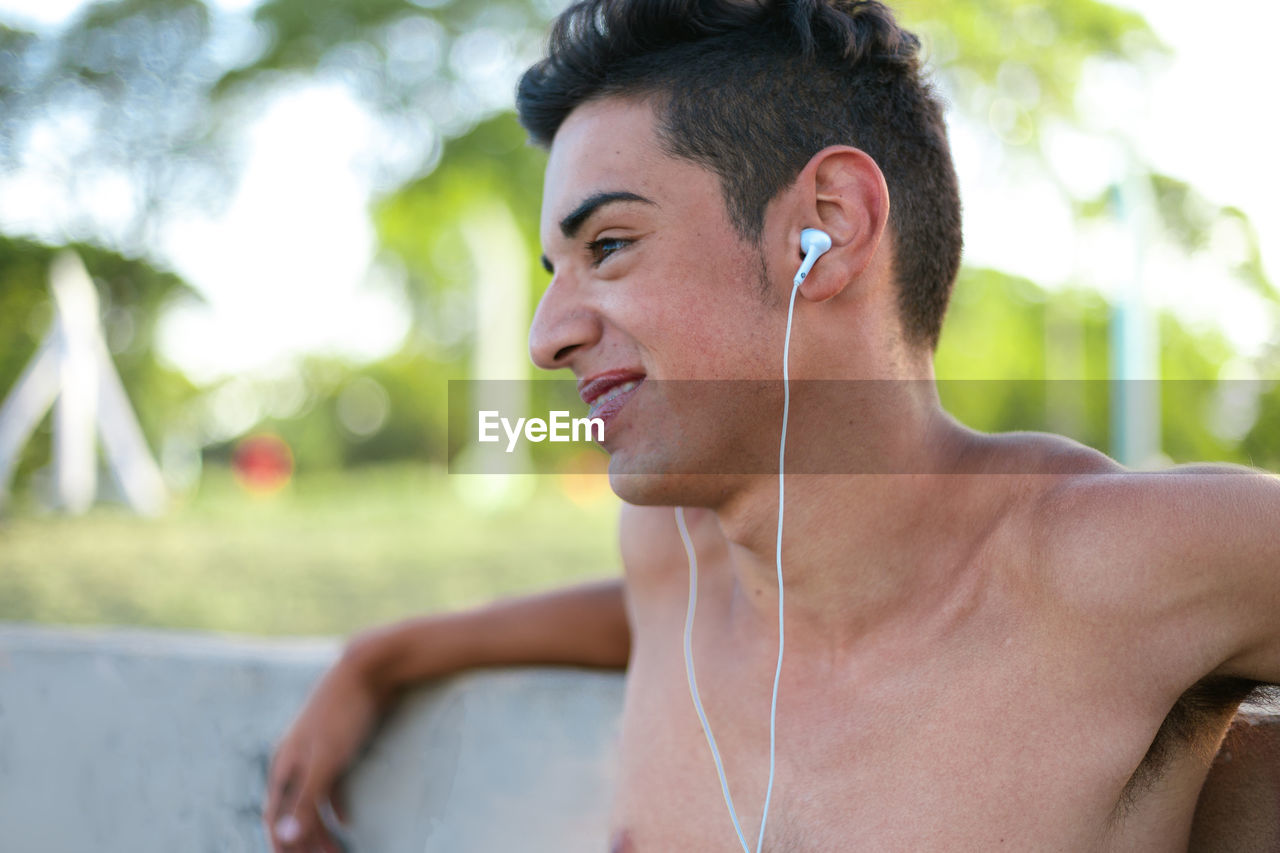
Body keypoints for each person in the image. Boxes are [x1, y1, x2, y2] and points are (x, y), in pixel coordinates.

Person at [263, 0, 1280, 850]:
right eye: (552, 273)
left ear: (824, 227)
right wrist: (391, 653)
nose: (546, 336)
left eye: (608, 244)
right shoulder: (676, 558)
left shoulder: (1118, 564)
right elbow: (660, 610)